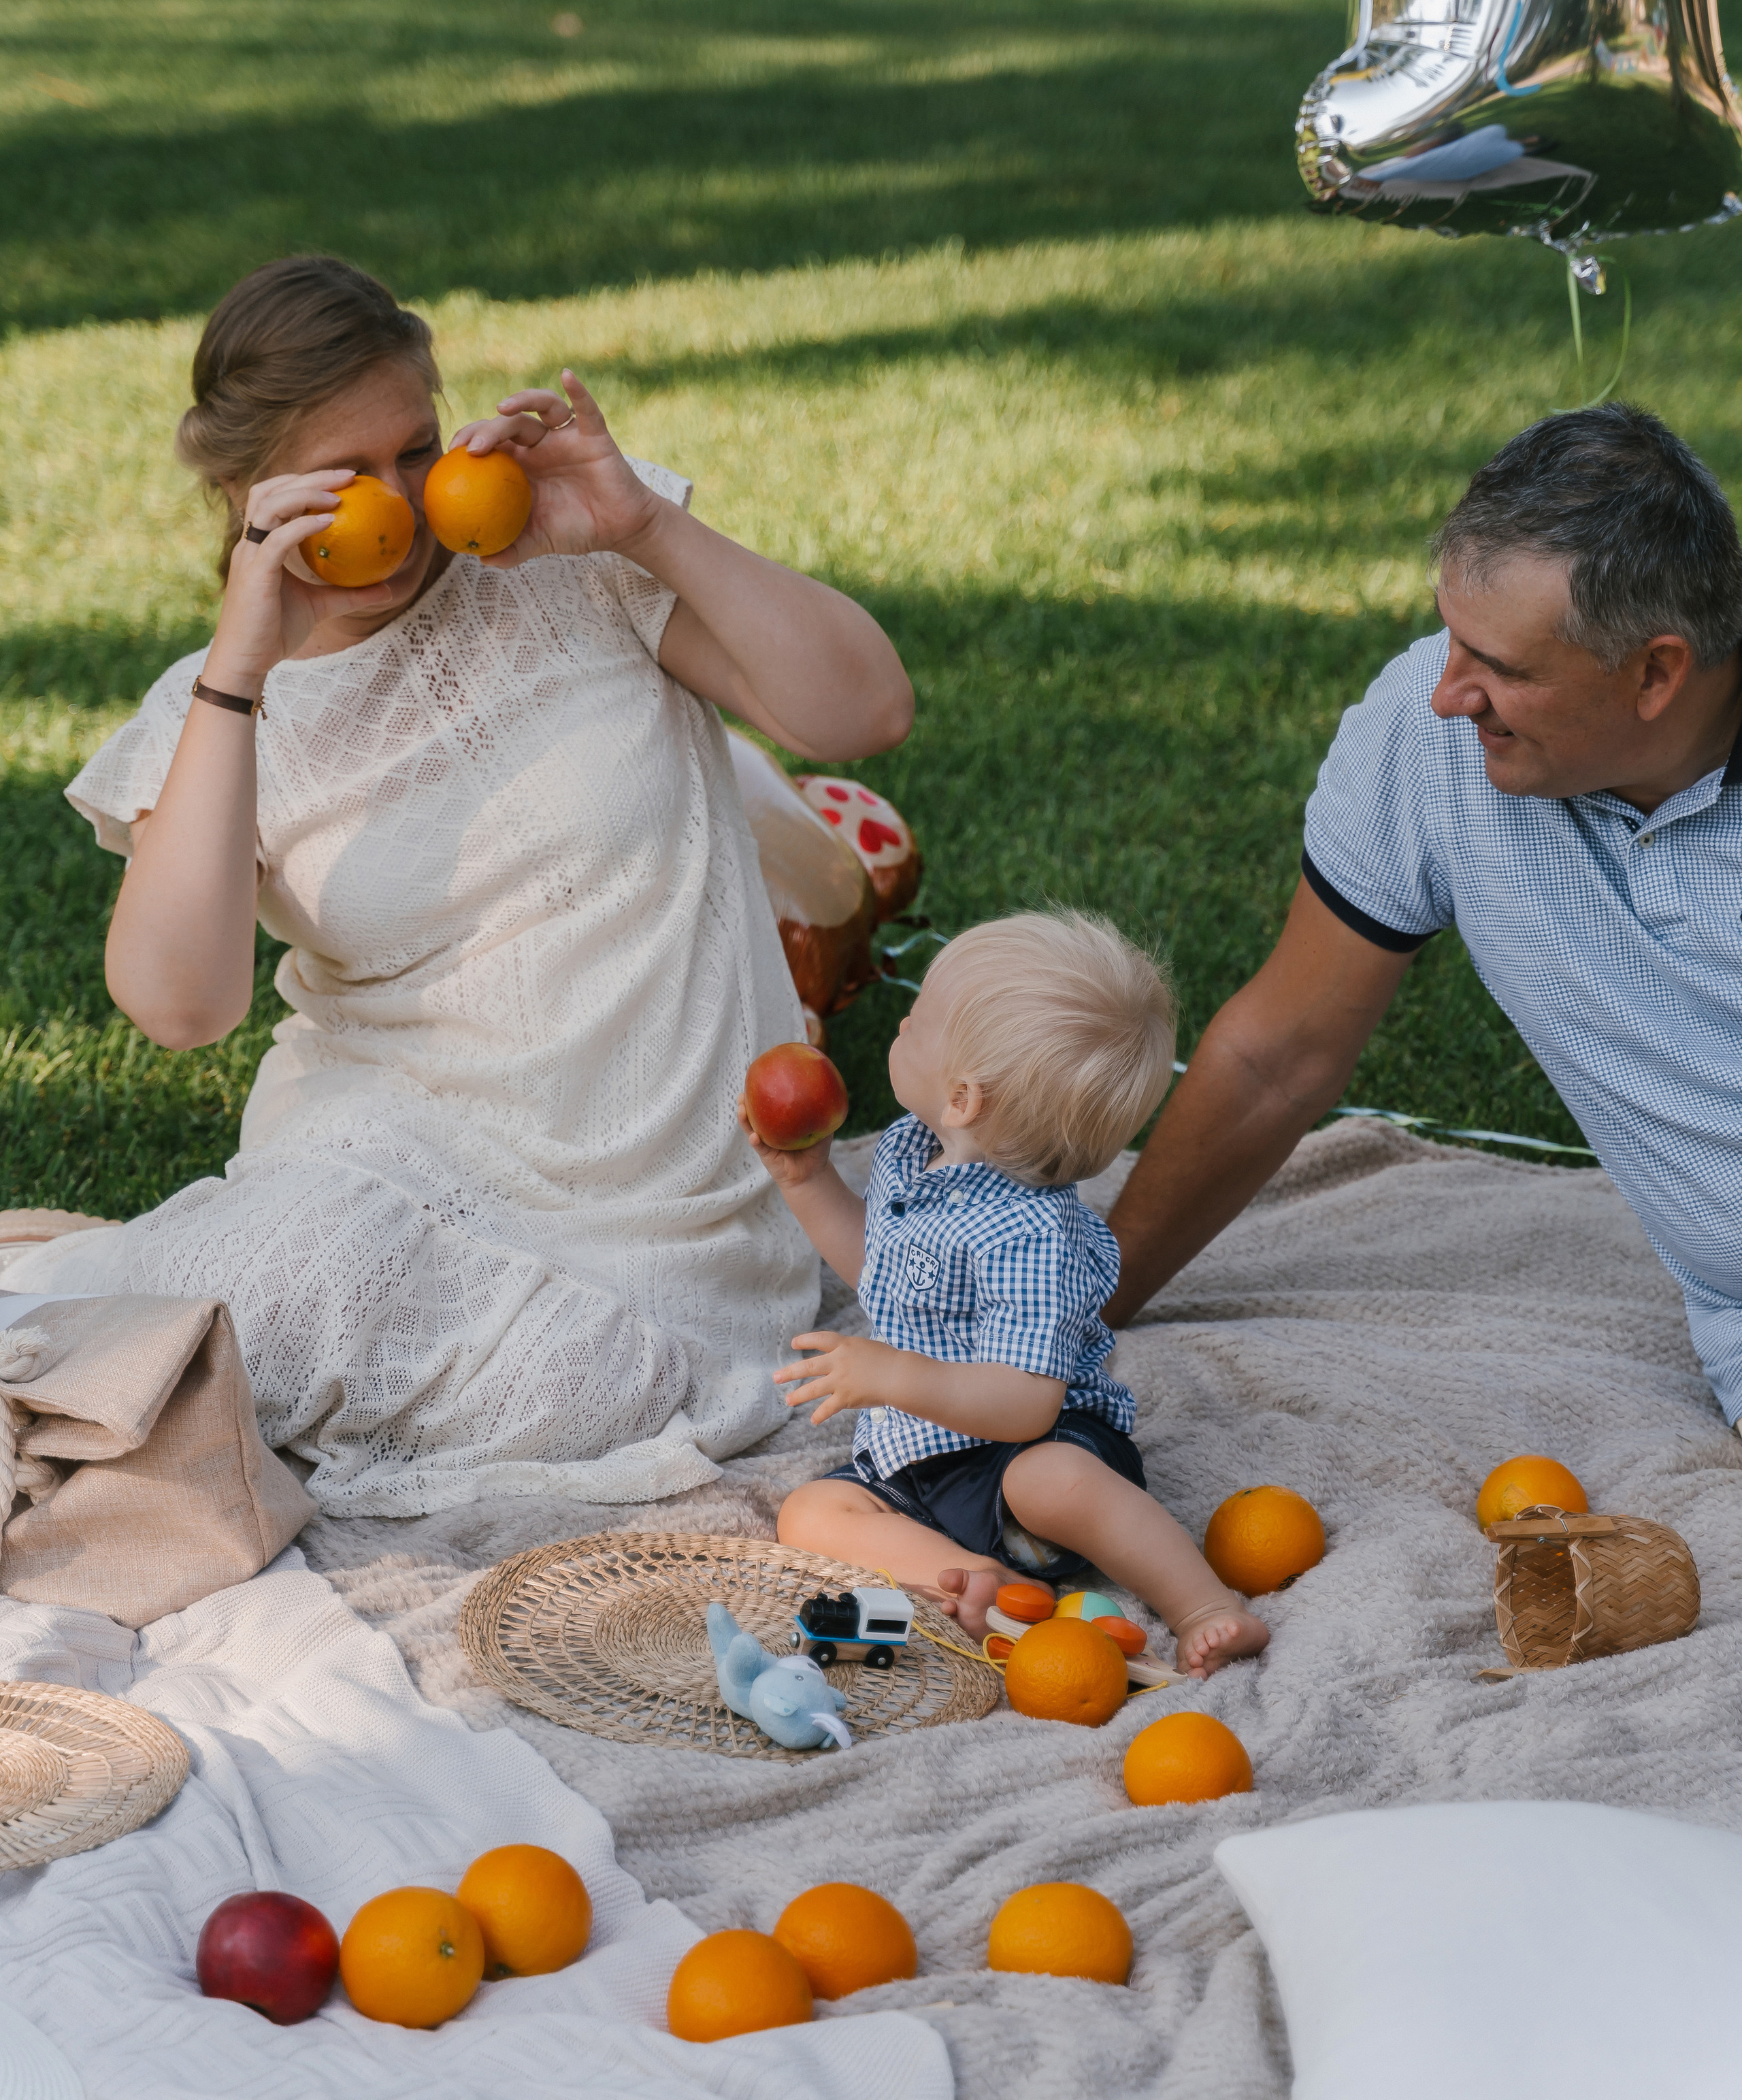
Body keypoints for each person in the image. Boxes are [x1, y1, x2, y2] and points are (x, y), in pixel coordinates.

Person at [0, 255, 914, 1514]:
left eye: (413, 453)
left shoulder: (575, 559)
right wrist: (241, 668)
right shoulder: (215, 706)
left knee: (595, 1379)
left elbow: (863, 710)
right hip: (374, 1173)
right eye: (342, 476)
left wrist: (646, 525)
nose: (395, 504)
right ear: (242, 489)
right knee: (285, 1280)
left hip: (665, 1230)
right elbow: (177, 1007)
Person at [1105, 404, 1742, 1434]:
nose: (1450, 694)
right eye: (1452, 639)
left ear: (1657, 673)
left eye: (1505, 669)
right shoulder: (1433, 735)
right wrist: (1085, 1303)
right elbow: (1281, 1053)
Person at [742, 911, 1269, 1676]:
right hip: (919, 1465)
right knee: (811, 1514)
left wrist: (889, 1375)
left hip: (1030, 1454)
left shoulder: (1029, 1237)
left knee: (1050, 1481)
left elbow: (1026, 1403)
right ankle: (983, 1579)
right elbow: (886, 1278)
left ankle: (1204, 1606)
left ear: (962, 1098)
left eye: (915, 1021)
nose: (900, 1021)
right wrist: (807, 1178)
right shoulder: (911, 1148)